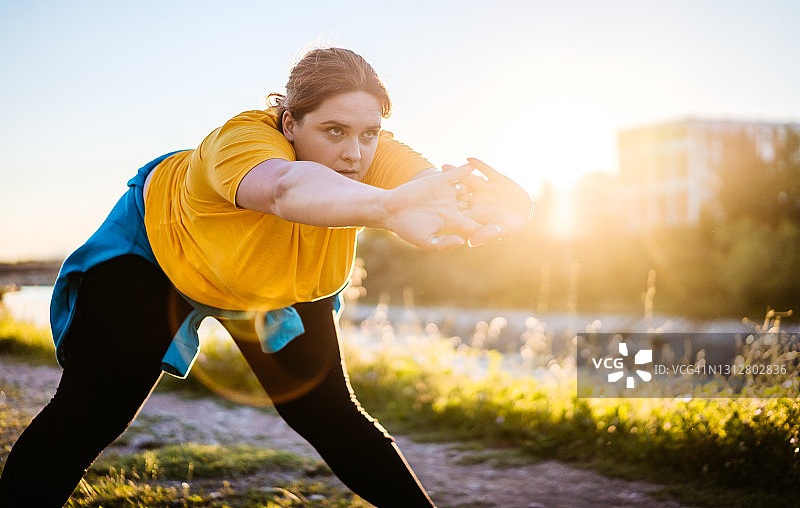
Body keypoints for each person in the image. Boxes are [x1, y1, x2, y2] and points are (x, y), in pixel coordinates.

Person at [0, 47, 531, 507]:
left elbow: (436, 192)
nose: (353, 153)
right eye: (333, 131)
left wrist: (508, 210)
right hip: (159, 255)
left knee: (329, 416)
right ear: (289, 123)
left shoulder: (376, 155)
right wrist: (386, 208)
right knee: (92, 413)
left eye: (369, 134)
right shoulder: (239, 144)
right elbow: (284, 188)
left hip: (265, 277)